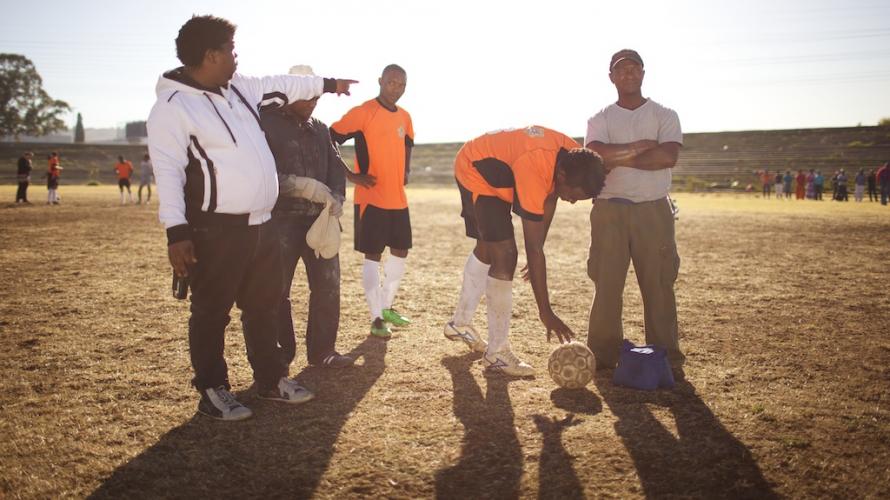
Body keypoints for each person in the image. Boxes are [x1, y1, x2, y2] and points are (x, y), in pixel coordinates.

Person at [146, 14, 356, 421]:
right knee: (211, 311)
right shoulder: (172, 107)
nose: (236, 57)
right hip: (215, 228)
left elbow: (284, 83)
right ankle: (213, 389)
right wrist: (176, 232)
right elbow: (168, 172)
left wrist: (330, 84)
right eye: (231, 49)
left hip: (263, 223)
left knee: (265, 306)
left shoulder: (239, 87)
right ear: (211, 55)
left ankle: (270, 380)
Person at [445, 126, 605, 375]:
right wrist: (546, 312)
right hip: (476, 170)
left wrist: (539, 246)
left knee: (489, 248)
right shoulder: (536, 167)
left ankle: (459, 324)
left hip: (504, 166)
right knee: (505, 255)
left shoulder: (575, 159)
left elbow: (550, 197)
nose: (573, 201)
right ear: (562, 175)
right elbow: (533, 247)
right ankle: (497, 353)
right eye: (574, 195)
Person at [584, 49, 685, 377]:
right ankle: (603, 355)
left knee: (659, 284)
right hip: (609, 210)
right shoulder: (600, 119)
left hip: (653, 209)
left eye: (633, 68)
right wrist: (640, 148)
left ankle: (665, 355)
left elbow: (667, 157)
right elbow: (595, 156)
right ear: (611, 77)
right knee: (607, 285)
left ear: (643, 73)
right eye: (621, 70)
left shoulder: (664, 114)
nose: (628, 74)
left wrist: (618, 157)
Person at [261, 65, 354, 370]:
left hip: (320, 222)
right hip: (280, 222)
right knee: (277, 290)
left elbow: (335, 169)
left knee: (328, 286)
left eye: (317, 96)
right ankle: (280, 353)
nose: (313, 101)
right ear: (290, 91)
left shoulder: (321, 130)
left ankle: (323, 351)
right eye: (308, 95)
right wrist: (300, 186)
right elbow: (263, 176)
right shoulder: (266, 125)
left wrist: (337, 199)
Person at [331, 64, 414, 339]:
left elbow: (408, 143)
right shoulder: (364, 112)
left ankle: (387, 307)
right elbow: (329, 138)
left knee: (401, 251)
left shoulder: (405, 116)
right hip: (371, 198)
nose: (396, 88)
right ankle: (376, 318)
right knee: (373, 255)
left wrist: (406, 170)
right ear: (380, 81)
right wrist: (350, 174)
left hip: (398, 199)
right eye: (391, 82)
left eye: (401, 84)